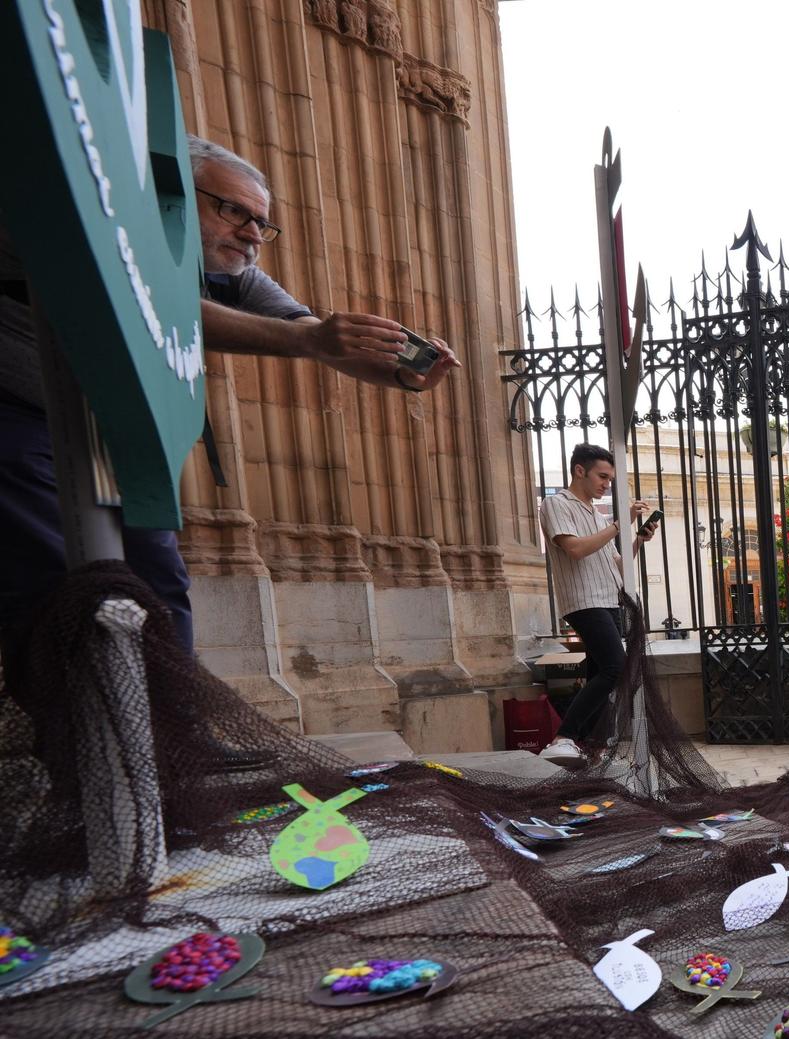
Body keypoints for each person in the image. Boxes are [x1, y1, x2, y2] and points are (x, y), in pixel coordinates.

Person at [0, 136, 459, 672]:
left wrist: (398, 372)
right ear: (167, 191)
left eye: (261, 223)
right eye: (232, 209)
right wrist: (313, 341)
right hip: (19, 417)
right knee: (53, 579)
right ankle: (72, 733)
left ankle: (178, 726)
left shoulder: (229, 270)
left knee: (160, 579)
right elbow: (142, 302)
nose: (251, 234)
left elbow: (304, 329)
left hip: (113, 436)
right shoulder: (81, 214)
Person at [538, 445, 654, 765]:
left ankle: (591, 744)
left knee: (600, 673)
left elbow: (616, 564)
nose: (607, 484)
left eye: (610, 478)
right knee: (616, 668)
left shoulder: (595, 513)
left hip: (608, 599)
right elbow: (575, 549)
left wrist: (638, 540)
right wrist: (619, 524)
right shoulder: (556, 504)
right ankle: (563, 738)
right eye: (602, 476)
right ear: (580, 471)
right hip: (584, 601)